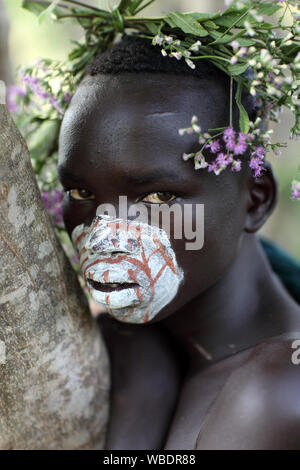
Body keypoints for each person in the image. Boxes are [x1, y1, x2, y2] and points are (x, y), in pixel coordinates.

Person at [58, 35, 300, 450]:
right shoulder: (147, 343)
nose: (105, 234)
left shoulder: (276, 391)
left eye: (157, 197)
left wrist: (139, 406)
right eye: (82, 195)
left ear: (255, 199)